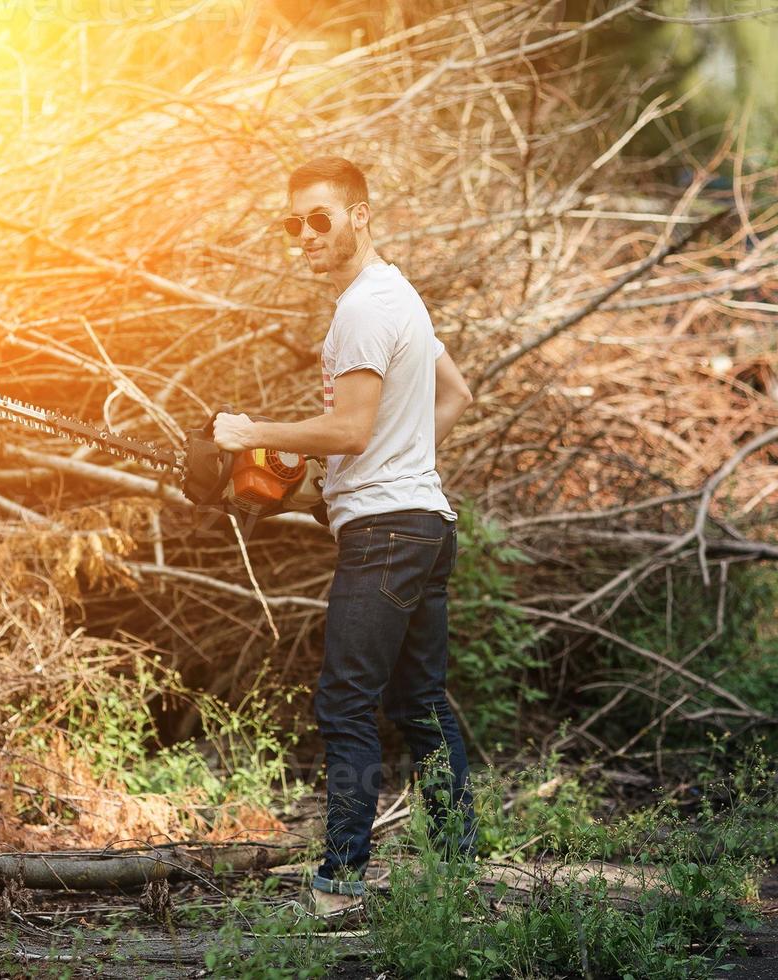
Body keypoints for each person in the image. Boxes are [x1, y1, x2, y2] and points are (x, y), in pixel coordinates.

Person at [212, 156, 476, 915]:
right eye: (292, 223)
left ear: (360, 215)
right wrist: (387, 470)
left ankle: (340, 885)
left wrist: (249, 432)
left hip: (390, 537)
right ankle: (456, 873)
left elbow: (353, 429)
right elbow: (455, 394)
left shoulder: (363, 308)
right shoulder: (401, 295)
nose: (304, 235)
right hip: (424, 524)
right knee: (420, 704)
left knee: (345, 707)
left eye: (319, 219)